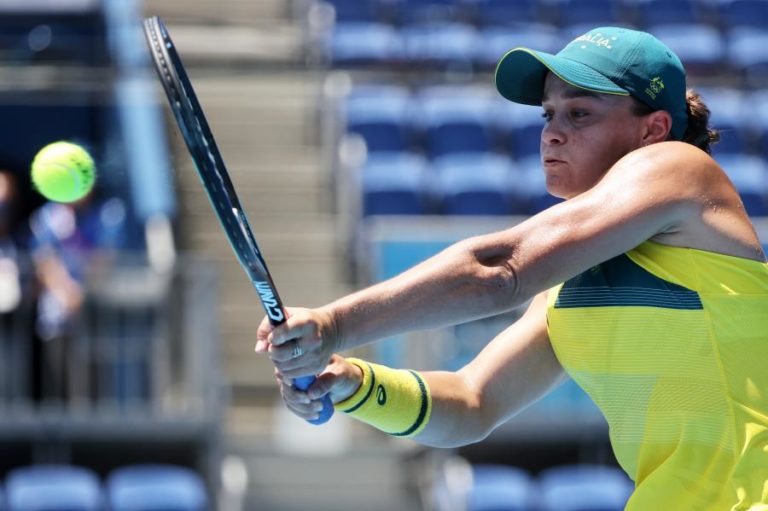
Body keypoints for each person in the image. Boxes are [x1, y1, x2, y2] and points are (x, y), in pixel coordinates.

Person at [257, 26, 768, 510]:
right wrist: (352, 381)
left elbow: (499, 271)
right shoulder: (570, 287)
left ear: (653, 129)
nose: (553, 134)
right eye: (548, 115)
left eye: (580, 114)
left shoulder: (680, 168)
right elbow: (471, 403)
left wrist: (335, 325)